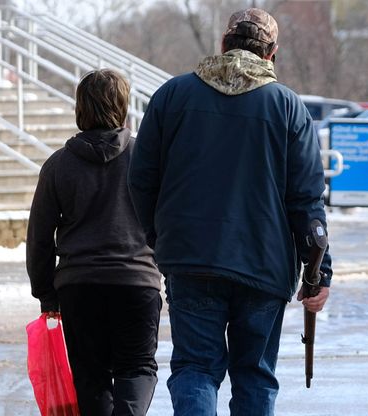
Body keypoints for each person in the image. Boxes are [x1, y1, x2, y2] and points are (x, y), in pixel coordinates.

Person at [127, 8, 332, 416]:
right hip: (265, 265)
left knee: (195, 369)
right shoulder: (288, 106)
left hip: (190, 258)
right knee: (254, 375)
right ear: (272, 54)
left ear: (223, 44)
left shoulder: (172, 96)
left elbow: (141, 179)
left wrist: (158, 237)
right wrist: (318, 272)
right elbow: (307, 200)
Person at [26, 69, 163, 416]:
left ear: (80, 108)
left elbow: (39, 237)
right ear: (123, 106)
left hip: (79, 287)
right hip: (136, 283)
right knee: (138, 368)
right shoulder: (146, 160)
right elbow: (167, 222)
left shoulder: (58, 166)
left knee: (91, 376)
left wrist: (46, 294)